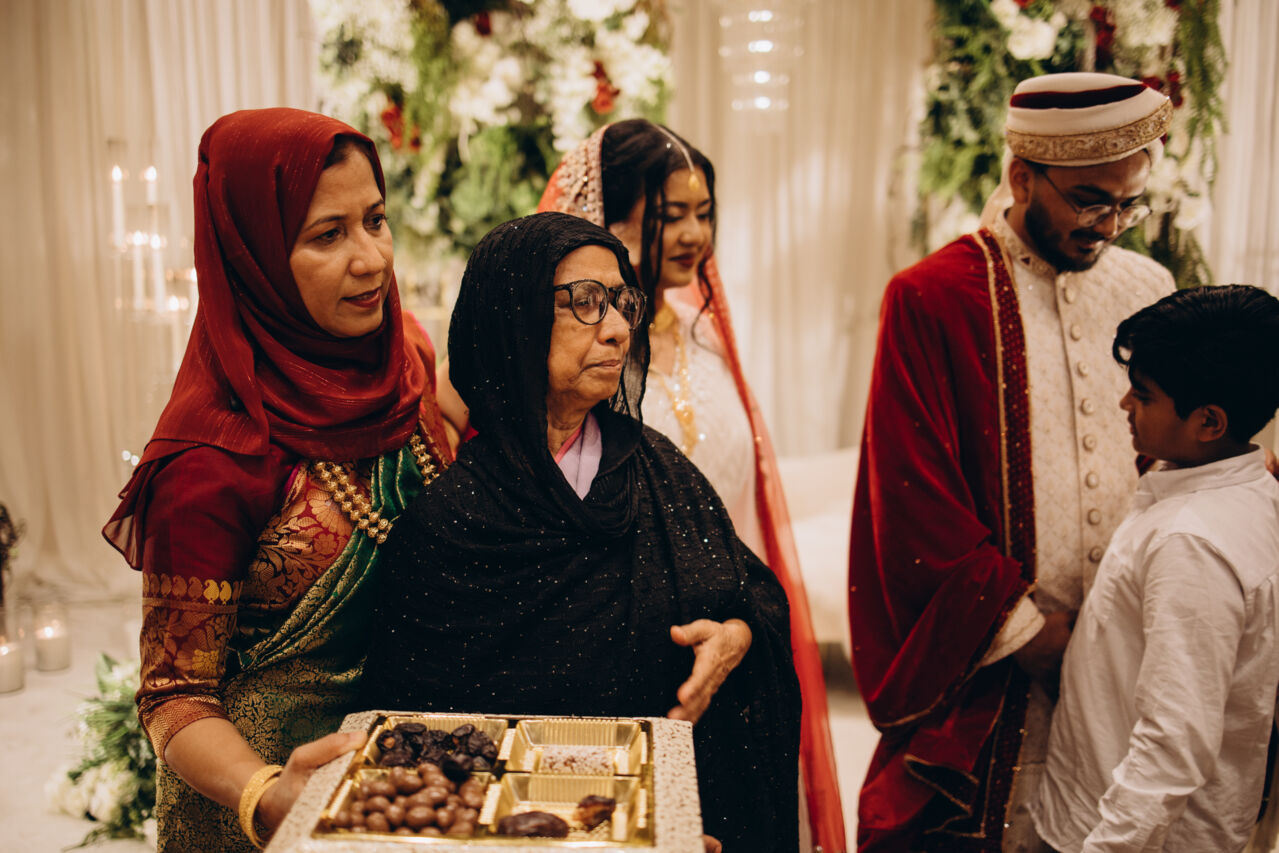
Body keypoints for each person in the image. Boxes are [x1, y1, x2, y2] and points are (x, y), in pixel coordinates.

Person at [363, 211, 802, 852]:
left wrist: (737, 637)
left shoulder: (658, 470)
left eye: (622, 302)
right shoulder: (450, 523)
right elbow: (410, 747)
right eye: (586, 302)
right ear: (514, 320)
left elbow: (753, 597)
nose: (619, 328)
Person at [101, 108, 454, 852]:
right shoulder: (211, 456)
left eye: (376, 220)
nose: (371, 259)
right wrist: (264, 791)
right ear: (253, 254)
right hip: (262, 813)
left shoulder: (404, 357)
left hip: (405, 784)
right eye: (328, 235)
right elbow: (173, 696)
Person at [849, 73, 1175, 851]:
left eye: (1129, 204)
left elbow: (1170, 456)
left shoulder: (1149, 287)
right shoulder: (932, 296)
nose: (1109, 226)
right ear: (1022, 177)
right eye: (1090, 201)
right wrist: (1024, 631)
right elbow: (910, 492)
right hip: (998, 671)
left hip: (1126, 659)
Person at [538, 118, 846, 853]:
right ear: (608, 220)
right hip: (624, 658)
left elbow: (741, 513)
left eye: (703, 212)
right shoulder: (575, 357)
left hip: (733, 646)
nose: (694, 234)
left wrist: (746, 623)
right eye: (670, 214)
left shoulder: (706, 334)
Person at [1031, 284, 1279, 852]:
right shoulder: (1241, 490)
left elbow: (1174, 745)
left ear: (1209, 422)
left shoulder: (1192, 542)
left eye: (1142, 395)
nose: (1124, 404)